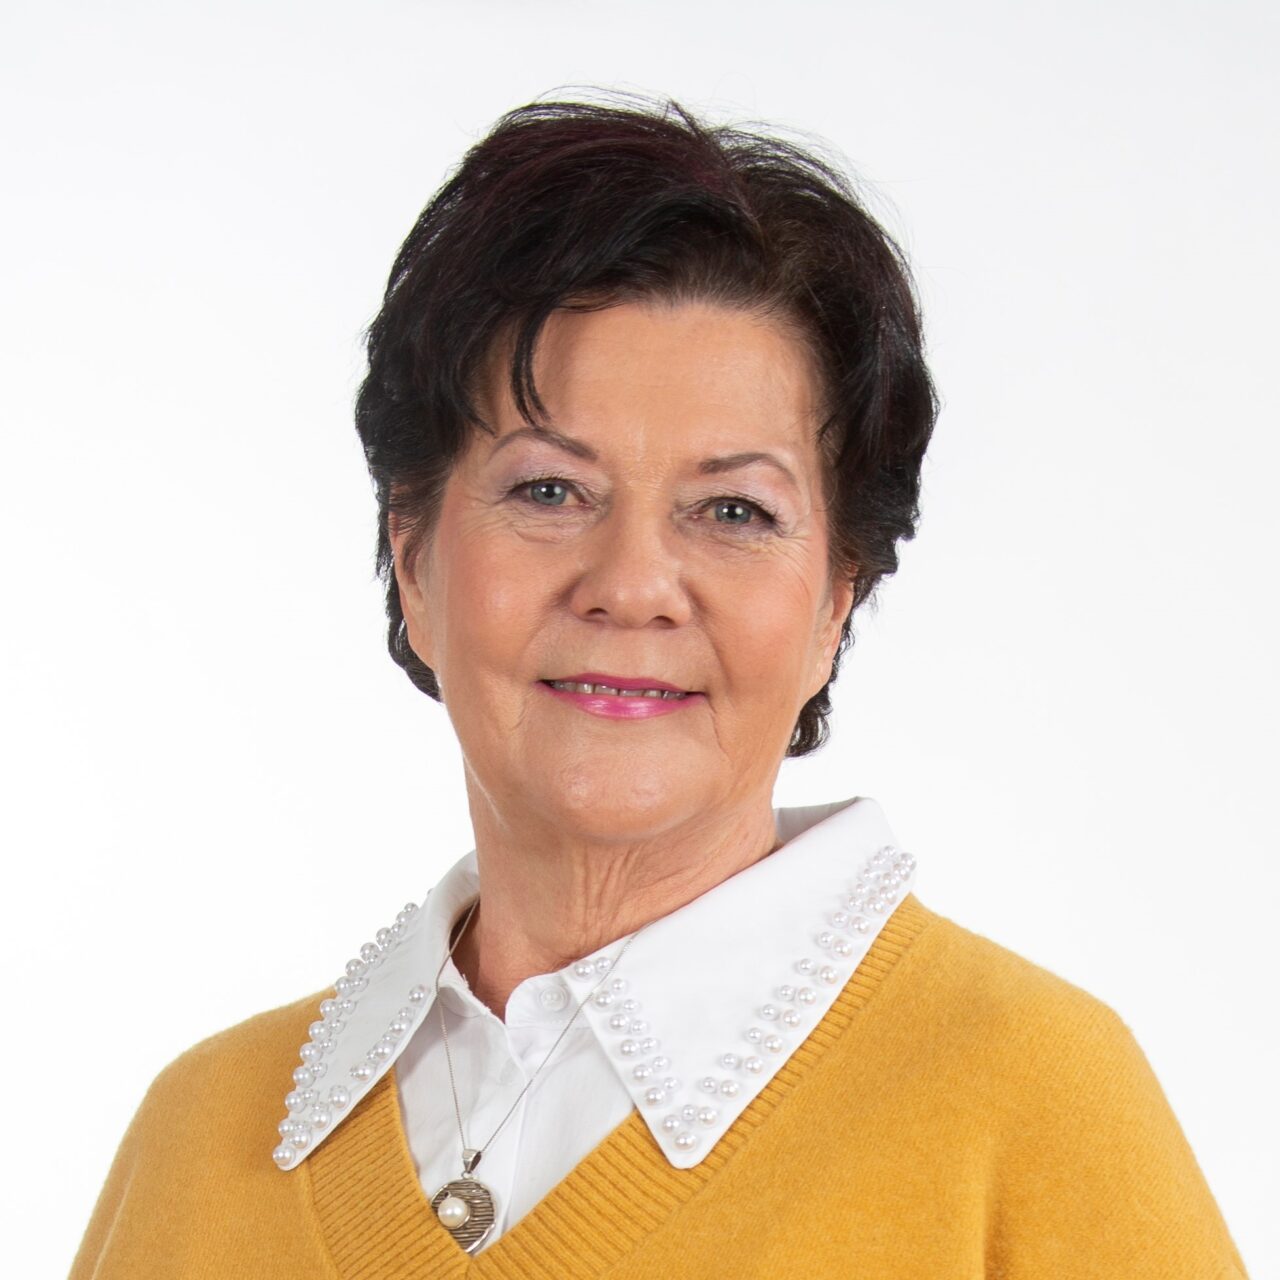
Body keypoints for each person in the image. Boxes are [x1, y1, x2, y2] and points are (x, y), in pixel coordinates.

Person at [70, 89, 1249, 1279]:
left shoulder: (1032, 1104)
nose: (631, 586)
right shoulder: (200, 1137)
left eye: (732, 510)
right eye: (547, 490)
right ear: (412, 557)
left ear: (835, 600)